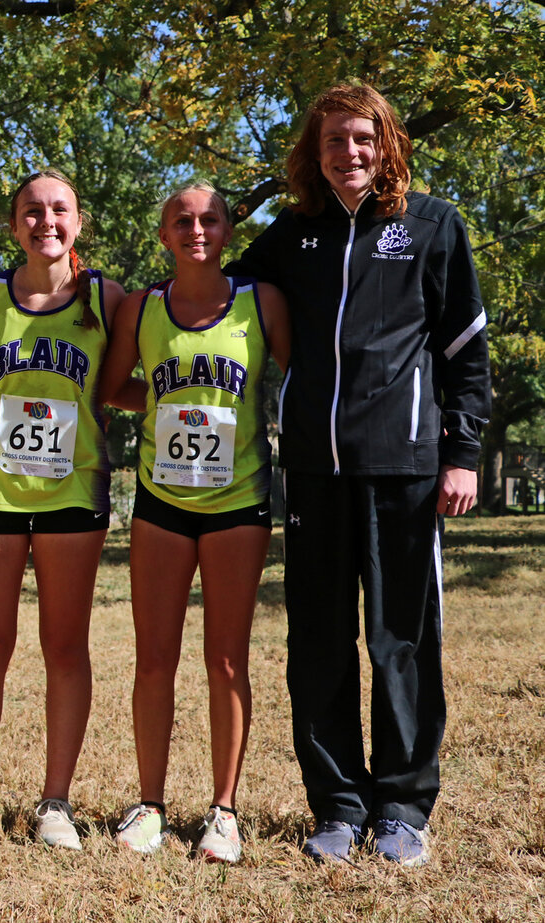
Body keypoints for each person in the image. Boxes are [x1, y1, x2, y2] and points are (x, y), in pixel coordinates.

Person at [224, 83, 490, 866]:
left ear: (388, 143)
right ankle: (338, 806)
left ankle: (404, 808)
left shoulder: (431, 224)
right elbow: (214, 294)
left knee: (401, 640)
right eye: (336, 140)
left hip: (405, 467)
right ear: (315, 150)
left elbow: (465, 350)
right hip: (312, 470)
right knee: (317, 642)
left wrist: (463, 452)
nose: (351, 153)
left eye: (364, 139)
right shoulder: (291, 233)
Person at [99, 182, 289, 864]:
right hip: (160, 504)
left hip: (238, 502)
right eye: (181, 219)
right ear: (163, 234)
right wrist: (160, 404)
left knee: (227, 658)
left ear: (230, 230)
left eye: (210, 219)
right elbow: (113, 386)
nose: (196, 229)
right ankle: (150, 805)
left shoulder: (259, 303)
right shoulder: (143, 308)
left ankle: (223, 811)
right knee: (154, 659)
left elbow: (294, 382)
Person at [0, 170, 130, 852]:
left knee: (64, 645)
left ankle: (55, 801)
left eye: (58, 210)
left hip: (74, 493)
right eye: (32, 210)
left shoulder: (108, 298)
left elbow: (124, 382)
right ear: (12, 223)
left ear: (78, 222)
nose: (45, 221)